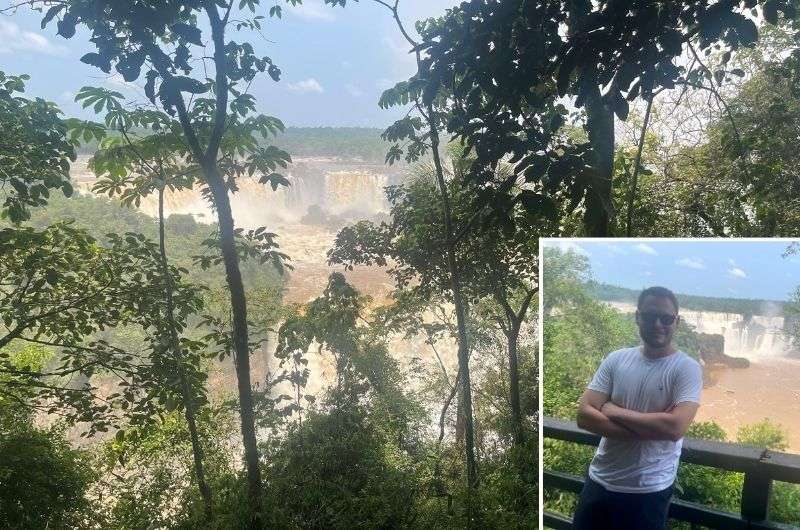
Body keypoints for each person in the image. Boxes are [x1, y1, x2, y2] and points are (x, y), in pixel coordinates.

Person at [572, 286, 703, 530]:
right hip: (598, 482)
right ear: (637, 317)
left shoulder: (687, 368)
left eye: (666, 318)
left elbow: (675, 427)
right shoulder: (616, 359)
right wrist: (650, 431)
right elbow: (584, 415)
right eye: (650, 316)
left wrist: (612, 411)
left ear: (677, 322)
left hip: (647, 492)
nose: (657, 324)